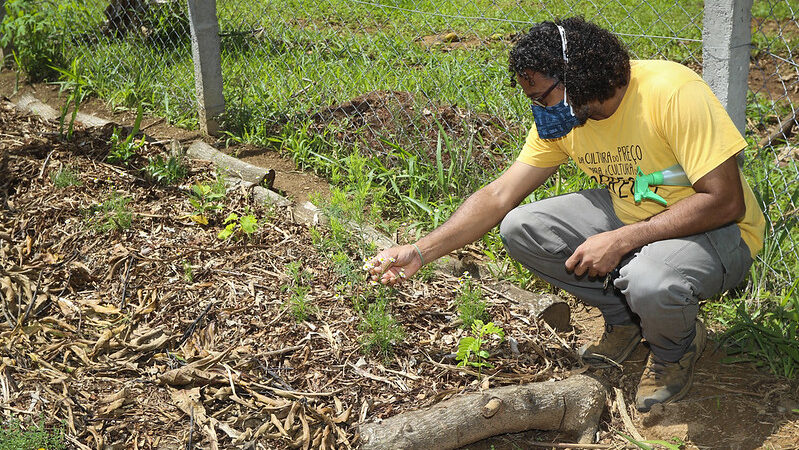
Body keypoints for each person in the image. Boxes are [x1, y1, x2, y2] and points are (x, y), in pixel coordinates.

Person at [365, 16, 765, 412]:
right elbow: (500, 194)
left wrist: (624, 238)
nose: (539, 109)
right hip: (633, 211)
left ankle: (676, 348)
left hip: (720, 231)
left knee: (648, 278)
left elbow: (725, 201)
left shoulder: (671, 91)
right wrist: (420, 251)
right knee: (522, 227)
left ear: (578, 74)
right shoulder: (567, 118)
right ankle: (625, 319)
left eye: (542, 96)